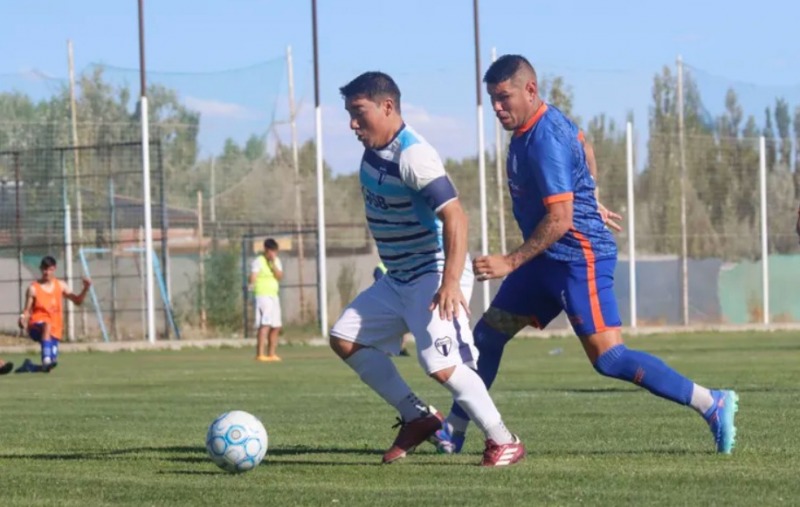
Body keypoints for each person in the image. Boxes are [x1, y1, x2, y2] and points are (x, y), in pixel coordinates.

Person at [432, 55, 738, 455]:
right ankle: (454, 430)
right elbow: (585, 145)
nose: (497, 107)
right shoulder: (538, 125)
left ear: (530, 89)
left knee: (609, 358)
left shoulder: (544, 140)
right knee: (487, 337)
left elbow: (560, 219)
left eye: (503, 97)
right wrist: (589, 193)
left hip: (580, 259)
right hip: (545, 260)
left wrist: (510, 260)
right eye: (492, 99)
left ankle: (711, 402)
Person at [329, 71, 525, 467]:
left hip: (433, 274)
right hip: (399, 277)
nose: (352, 122)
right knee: (345, 337)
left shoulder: (413, 154)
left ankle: (504, 441)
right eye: (349, 112)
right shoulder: (372, 152)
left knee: (441, 364)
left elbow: (456, 217)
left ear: (387, 107)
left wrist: (450, 283)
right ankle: (418, 416)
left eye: (358, 111)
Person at [15, 255, 91, 373]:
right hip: (36, 325)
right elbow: (26, 310)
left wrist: (86, 288)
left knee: (48, 369)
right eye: (44, 269)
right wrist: (22, 318)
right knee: (47, 326)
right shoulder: (33, 288)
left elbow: (77, 301)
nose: (46, 272)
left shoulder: (60, 285)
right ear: (40, 268)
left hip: (55, 330)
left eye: (49, 269)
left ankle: (29, 366)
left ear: (54, 269)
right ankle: (45, 359)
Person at [249, 238, 283, 362]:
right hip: (263, 296)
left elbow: (279, 276)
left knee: (276, 326)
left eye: (275, 251)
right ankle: (260, 354)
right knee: (265, 324)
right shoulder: (258, 261)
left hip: (274, 296)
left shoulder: (276, 261)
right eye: (271, 251)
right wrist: (251, 287)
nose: (273, 254)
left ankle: (271, 354)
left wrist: (273, 264)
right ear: (266, 250)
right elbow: (253, 277)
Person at [373, 261, 411, 357]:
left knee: (405, 325)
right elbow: (381, 283)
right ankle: (387, 348)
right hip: (387, 301)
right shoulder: (381, 268)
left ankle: (401, 349)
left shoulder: (402, 264)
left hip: (402, 299)